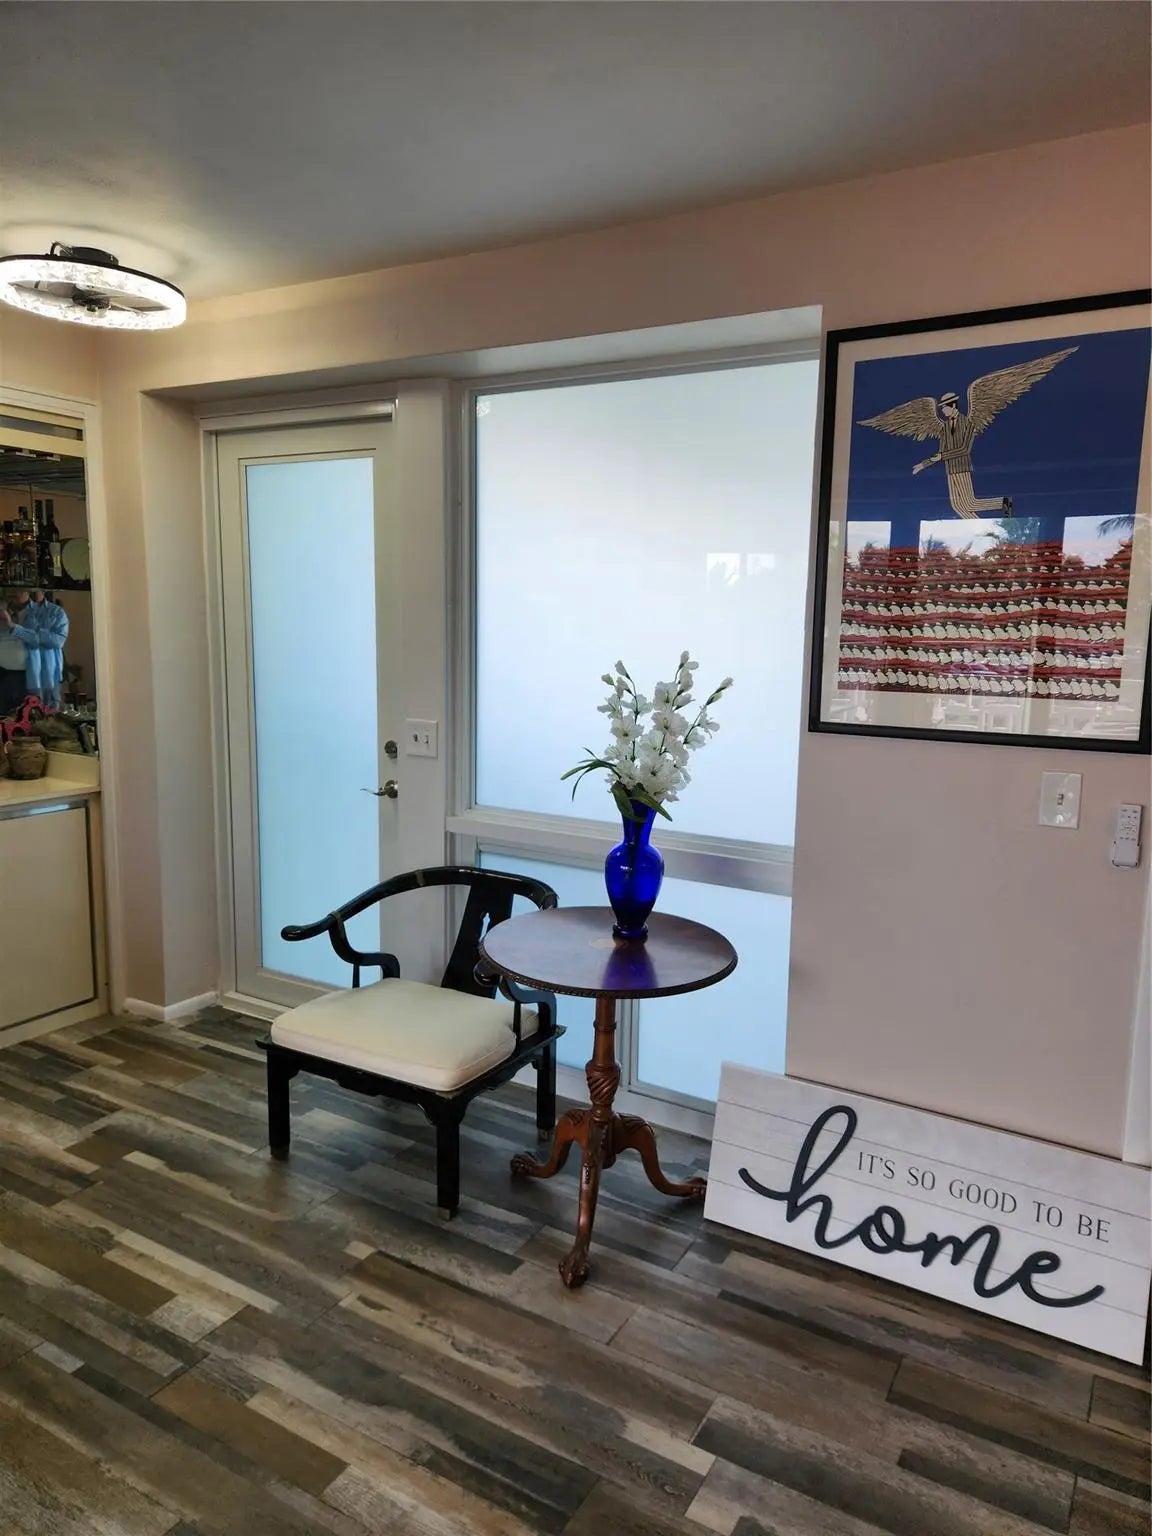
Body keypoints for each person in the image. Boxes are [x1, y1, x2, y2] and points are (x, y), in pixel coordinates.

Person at [0, 588, 69, 707]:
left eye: (17, 588)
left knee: (37, 715)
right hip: (4, 677)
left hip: (36, 679)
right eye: (8, 588)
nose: (11, 591)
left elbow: (57, 641)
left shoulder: (54, 612)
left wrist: (14, 627)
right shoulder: (3, 611)